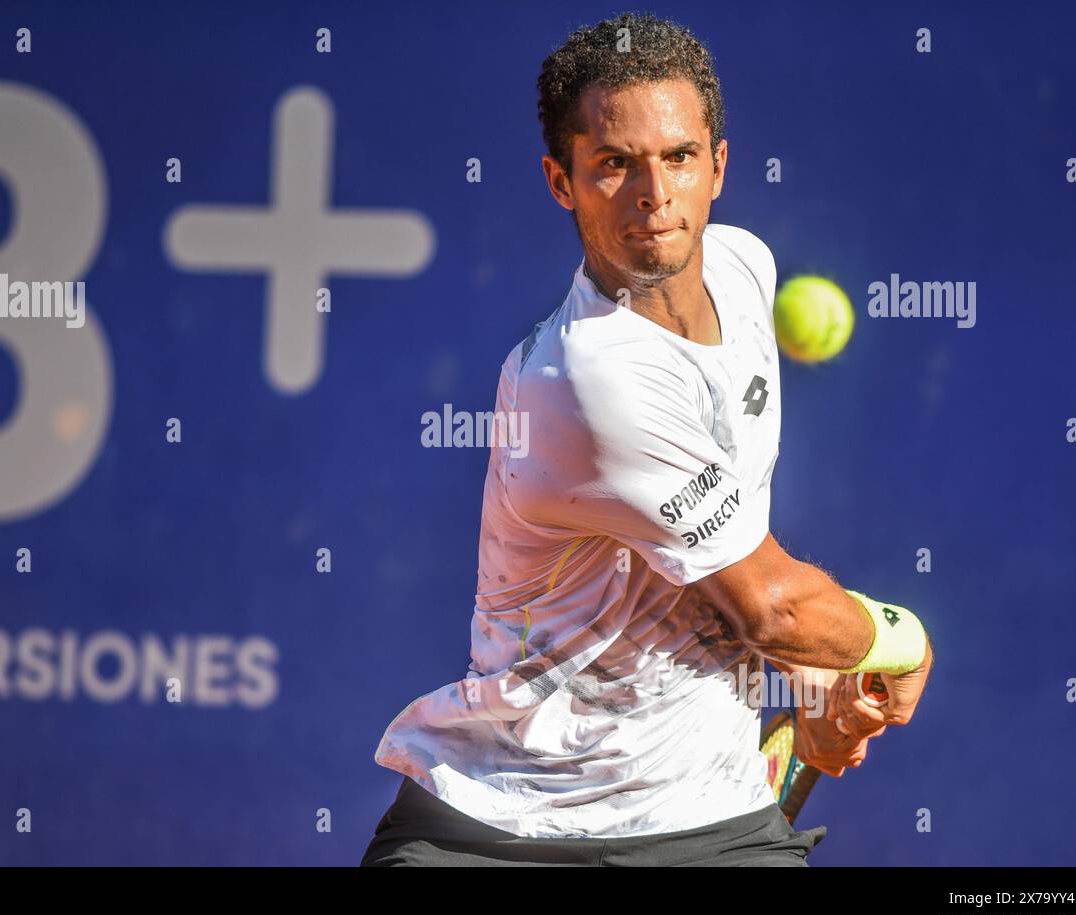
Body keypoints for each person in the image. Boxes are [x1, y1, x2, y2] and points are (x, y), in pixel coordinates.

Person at [362, 12, 932, 867]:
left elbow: (734, 544)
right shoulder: (585, 377)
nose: (654, 194)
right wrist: (900, 638)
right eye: (614, 164)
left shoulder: (745, 273)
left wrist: (815, 674)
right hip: (504, 824)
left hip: (711, 821)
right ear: (562, 181)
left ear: (720, 165)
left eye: (679, 157)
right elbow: (769, 605)